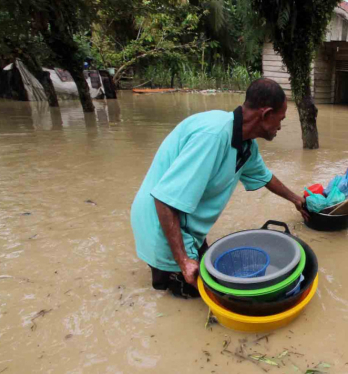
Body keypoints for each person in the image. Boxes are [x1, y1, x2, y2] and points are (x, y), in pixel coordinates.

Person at [130, 78, 308, 298]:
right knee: (190, 296)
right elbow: (164, 201)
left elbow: (266, 177)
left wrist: (296, 200)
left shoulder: (246, 145)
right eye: (280, 119)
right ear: (265, 114)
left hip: (186, 222)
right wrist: (184, 261)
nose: (280, 127)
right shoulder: (213, 136)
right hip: (161, 222)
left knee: (213, 278)